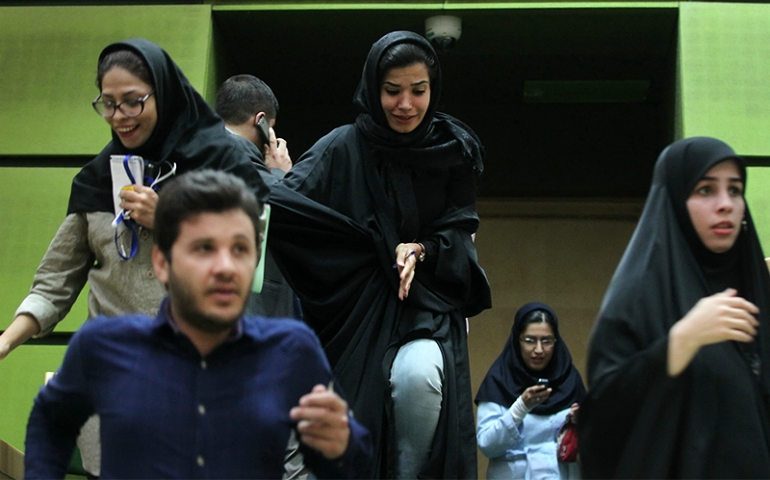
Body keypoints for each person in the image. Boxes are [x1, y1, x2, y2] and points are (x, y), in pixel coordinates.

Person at [0, 38, 268, 476]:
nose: (119, 117)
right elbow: (54, 284)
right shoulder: (93, 182)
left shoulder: (218, 167)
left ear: (162, 93)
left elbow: (244, 261)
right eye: (108, 104)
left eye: (133, 102)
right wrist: (7, 340)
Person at [24, 170, 372, 479]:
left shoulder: (292, 350)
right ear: (162, 262)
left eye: (240, 249)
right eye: (204, 248)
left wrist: (341, 447)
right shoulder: (103, 347)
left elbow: (351, 462)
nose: (225, 267)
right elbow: (49, 421)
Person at [268, 31, 492, 478]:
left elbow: (459, 234)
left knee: (419, 379)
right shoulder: (341, 146)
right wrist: (276, 181)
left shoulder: (454, 149)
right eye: (392, 91)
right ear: (374, 89)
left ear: (434, 89)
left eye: (418, 90)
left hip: (424, 307)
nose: (406, 104)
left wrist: (422, 249)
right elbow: (284, 204)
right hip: (353, 316)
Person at [578, 137, 770, 478]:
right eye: (706, 190)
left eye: (736, 190)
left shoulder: (754, 288)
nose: (725, 204)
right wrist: (679, 343)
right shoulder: (639, 299)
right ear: (674, 201)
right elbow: (603, 421)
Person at [215, 74, 301, 320]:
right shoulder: (236, 150)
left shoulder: (204, 147)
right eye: (270, 127)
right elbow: (279, 206)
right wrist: (280, 172)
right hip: (249, 307)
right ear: (261, 120)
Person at [476, 302, 586, 479]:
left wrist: (582, 423)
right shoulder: (499, 381)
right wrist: (520, 407)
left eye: (547, 341)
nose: (539, 350)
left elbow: (597, 447)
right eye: (530, 340)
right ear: (517, 340)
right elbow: (487, 445)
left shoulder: (570, 379)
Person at [215, 74, 292, 176]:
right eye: (270, 128)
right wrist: (278, 171)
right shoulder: (243, 161)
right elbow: (274, 192)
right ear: (260, 119)